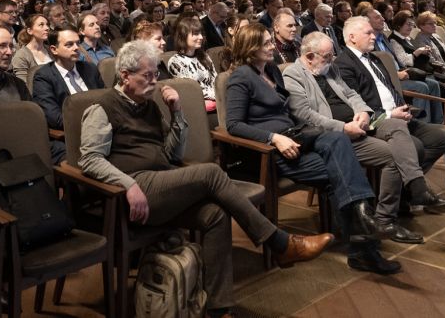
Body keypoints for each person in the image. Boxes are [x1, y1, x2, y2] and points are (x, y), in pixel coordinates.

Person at [79, 41, 334, 316]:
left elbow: (172, 154)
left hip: (162, 183)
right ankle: (280, 243)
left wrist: (177, 112)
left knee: (215, 214)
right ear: (125, 75)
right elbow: (89, 160)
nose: (154, 82)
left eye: (156, 75)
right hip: (131, 190)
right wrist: (128, 185)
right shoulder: (102, 107)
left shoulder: (149, 107)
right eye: (148, 76)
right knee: (211, 171)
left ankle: (218, 308)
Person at [224, 23, 399, 274]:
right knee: (342, 173)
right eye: (266, 43)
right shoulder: (242, 76)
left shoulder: (271, 69)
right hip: (274, 150)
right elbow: (233, 125)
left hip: (297, 137)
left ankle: (362, 222)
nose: (273, 45)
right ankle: (364, 244)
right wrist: (274, 137)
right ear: (250, 48)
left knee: (339, 142)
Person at [284, 32, 445, 243]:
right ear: (310, 56)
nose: (331, 60)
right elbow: (305, 115)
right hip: (336, 135)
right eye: (326, 56)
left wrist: (364, 112)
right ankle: (386, 218)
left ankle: (416, 188)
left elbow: (352, 94)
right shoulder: (293, 75)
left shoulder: (330, 68)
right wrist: (344, 127)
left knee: (396, 123)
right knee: (393, 155)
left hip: (362, 122)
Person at [332, 16, 445, 213]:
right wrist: (391, 114)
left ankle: (406, 192)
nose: (374, 36)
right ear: (352, 37)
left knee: (439, 137)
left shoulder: (374, 58)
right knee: (415, 146)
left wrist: (403, 108)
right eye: (368, 33)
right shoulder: (343, 64)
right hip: (375, 121)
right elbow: (355, 105)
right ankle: (415, 191)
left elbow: (390, 90)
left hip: (397, 116)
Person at [32, 29, 102, 163]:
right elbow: (55, 118)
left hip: (102, 132)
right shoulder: (44, 77)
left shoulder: (90, 69)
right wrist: (93, 126)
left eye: (77, 43)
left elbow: (106, 101)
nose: (76, 48)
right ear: (54, 49)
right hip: (72, 137)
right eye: (69, 44)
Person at [165, 17, 218, 115]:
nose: (201, 37)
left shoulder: (204, 56)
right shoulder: (176, 62)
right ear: (183, 36)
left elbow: (215, 79)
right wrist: (217, 96)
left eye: (201, 33)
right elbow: (190, 90)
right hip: (195, 106)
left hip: (215, 101)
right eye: (196, 34)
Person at [10, 13, 52, 85]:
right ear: (30, 31)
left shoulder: (51, 50)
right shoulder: (21, 56)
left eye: (47, 24)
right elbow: (23, 85)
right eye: (41, 25)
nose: (47, 28)